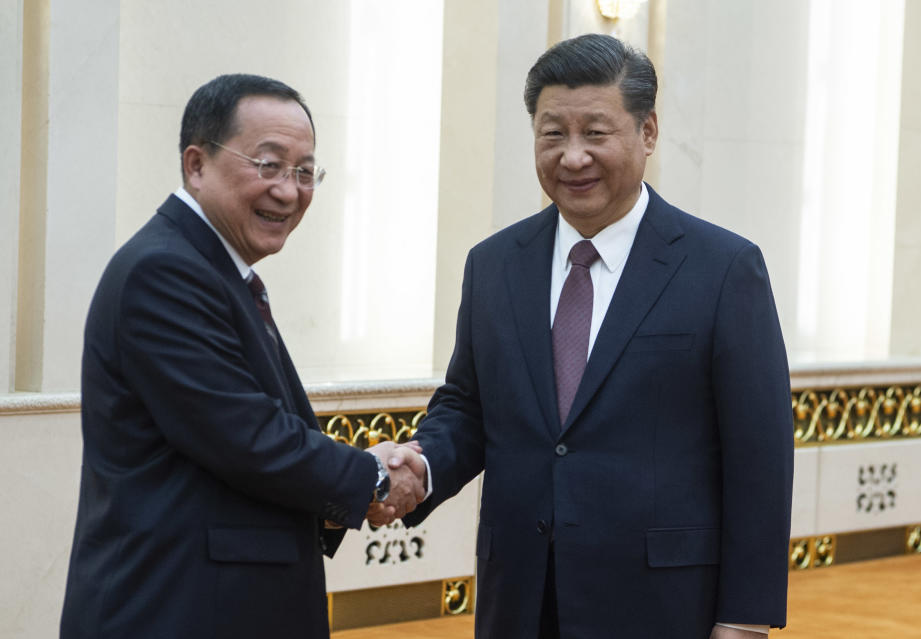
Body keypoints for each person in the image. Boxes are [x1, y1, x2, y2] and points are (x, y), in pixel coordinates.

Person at [404, 34, 794, 638]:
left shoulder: (721, 267)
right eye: (552, 133)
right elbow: (468, 408)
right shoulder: (494, 263)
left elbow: (760, 460)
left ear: (649, 132)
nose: (573, 156)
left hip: (662, 605)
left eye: (596, 132)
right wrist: (420, 467)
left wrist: (744, 620)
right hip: (521, 599)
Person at [60, 74, 425, 639]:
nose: (289, 190)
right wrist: (372, 476)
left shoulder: (213, 269)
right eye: (269, 164)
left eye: (306, 172)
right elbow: (247, 436)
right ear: (196, 165)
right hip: (176, 608)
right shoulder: (165, 271)